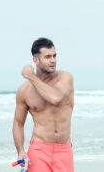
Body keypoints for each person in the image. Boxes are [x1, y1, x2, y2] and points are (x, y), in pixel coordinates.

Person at [12, 37, 75, 172]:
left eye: (54, 56)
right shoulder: (24, 90)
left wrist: (30, 75)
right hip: (39, 150)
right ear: (36, 60)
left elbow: (55, 98)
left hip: (63, 150)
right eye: (47, 57)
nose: (53, 60)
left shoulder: (65, 78)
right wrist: (20, 151)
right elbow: (18, 123)